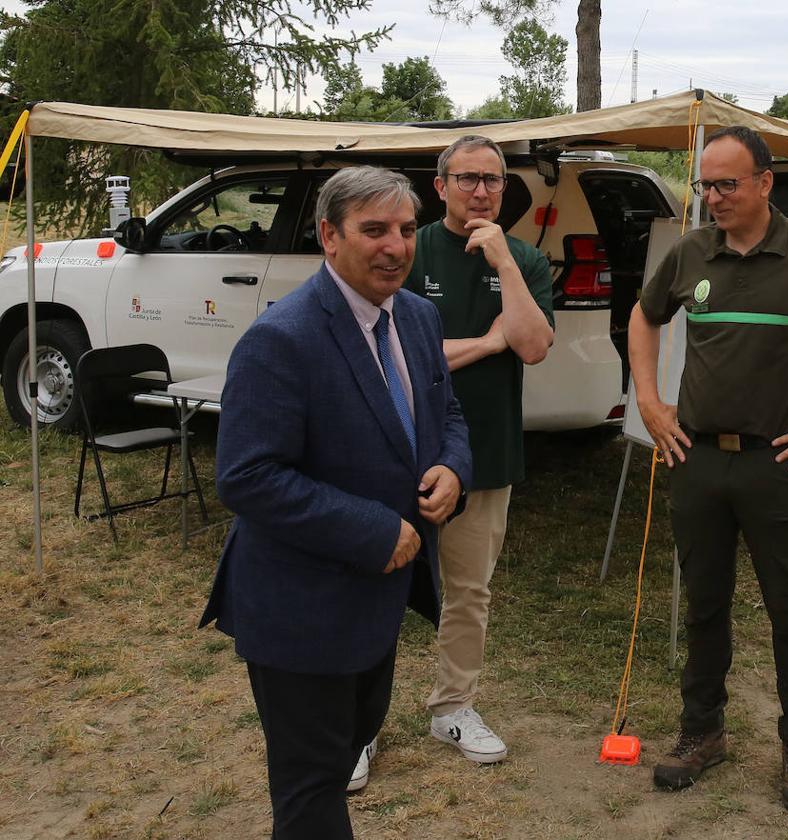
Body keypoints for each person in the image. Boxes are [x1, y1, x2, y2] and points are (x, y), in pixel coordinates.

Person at [199, 166, 471, 839]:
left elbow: (449, 415)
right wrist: (374, 529)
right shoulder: (282, 339)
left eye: (407, 230)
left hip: (375, 606)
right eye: (374, 230)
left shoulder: (417, 315)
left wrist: (452, 470)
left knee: (349, 742)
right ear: (329, 236)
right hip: (300, 609)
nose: (396, 246)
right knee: (312, 789)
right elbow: (246, 475)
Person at [628, 125, 788, 813]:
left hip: (777, 461)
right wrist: (651, 403)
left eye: (727, 184)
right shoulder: (691, 253)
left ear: (765, 182)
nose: (712, 197)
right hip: (697, 459)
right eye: (705, 185)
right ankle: (701, 732)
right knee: (704, 602)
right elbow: (643, 315)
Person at [350, 135, 554, 784]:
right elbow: (391, 353)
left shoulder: (523, 258)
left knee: (468, 591)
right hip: (398, 447)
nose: (481, 191)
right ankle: (357, 728)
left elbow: (531, 345)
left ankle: (453, 706)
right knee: (375, 583)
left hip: (486, 451)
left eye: (492, 180)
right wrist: (484, 341)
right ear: (440, 187)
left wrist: (506, 265)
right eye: (467, 179)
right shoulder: (409, 250)